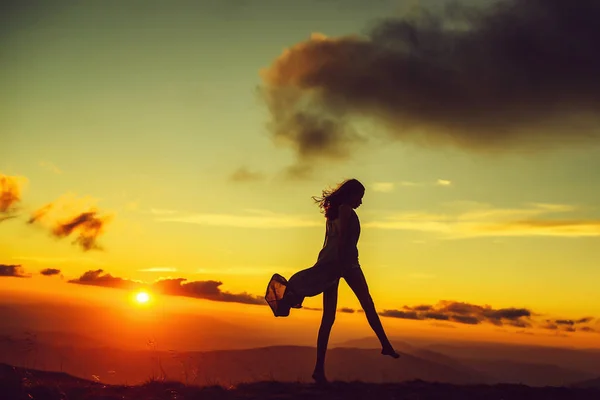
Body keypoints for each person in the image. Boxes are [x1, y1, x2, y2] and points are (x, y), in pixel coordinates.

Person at [265, 178, 399, 384]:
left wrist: (328, 266)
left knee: (328, 319)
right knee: (367, 303)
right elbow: (343, 238)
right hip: (346, 264)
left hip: (330, 264)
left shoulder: (332, 214)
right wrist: (340, 264)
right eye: (360, 197)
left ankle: (319, 369)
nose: (361, 202)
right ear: (350, 194)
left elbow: (328, 242)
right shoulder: (345, 210)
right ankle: (385, 345)